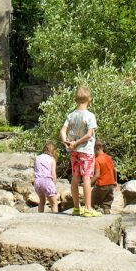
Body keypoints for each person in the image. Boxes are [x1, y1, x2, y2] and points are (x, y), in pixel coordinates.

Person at [60, 86, 100, 217]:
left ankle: (77, 207)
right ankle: (88, 208)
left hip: (74, 151)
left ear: (76, 99)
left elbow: (62, 130)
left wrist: (67, 142)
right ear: (89, 100)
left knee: (76, 177)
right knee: (87, 177)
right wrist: (77, 143)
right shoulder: (90, 116)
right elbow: (89, 134)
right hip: (86, 151)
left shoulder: (71, 115)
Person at [33, 141, 59, 213]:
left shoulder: (37, 158)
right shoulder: (52, 159)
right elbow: (53, 173)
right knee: (54, 203)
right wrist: (54, 184)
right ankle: (55, 217)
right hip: (47, 181)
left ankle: (40, 216)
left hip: (37, 182)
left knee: (42, 201)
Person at [92, 141, 117, 213]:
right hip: (111, 185)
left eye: (92, 150)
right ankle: (107, 213)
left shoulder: (97, 160)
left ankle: (94, 214)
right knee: (107, 204)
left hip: (101, 185)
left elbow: (97, 175)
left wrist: (88, 183)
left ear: (97, 148)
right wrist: (115, 181)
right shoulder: (108, 157)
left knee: (94, 201)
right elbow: (114, 170)